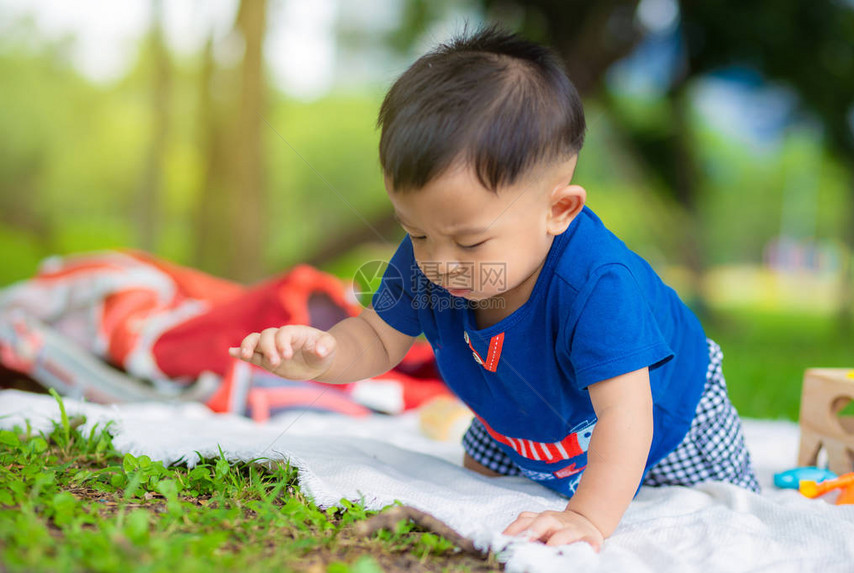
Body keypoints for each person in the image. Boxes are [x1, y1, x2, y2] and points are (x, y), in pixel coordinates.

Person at [229, 27, 759, 550]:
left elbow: (628, 415)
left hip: (666, 420)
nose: (438, 263)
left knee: (719, 520)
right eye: (415, 232)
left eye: (470, 242)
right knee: (479, 479)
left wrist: (587, 520)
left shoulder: (598, 285)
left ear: (558, 210)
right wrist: (323, 357)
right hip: (518, 402)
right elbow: (377, 336)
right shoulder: (432, 255)